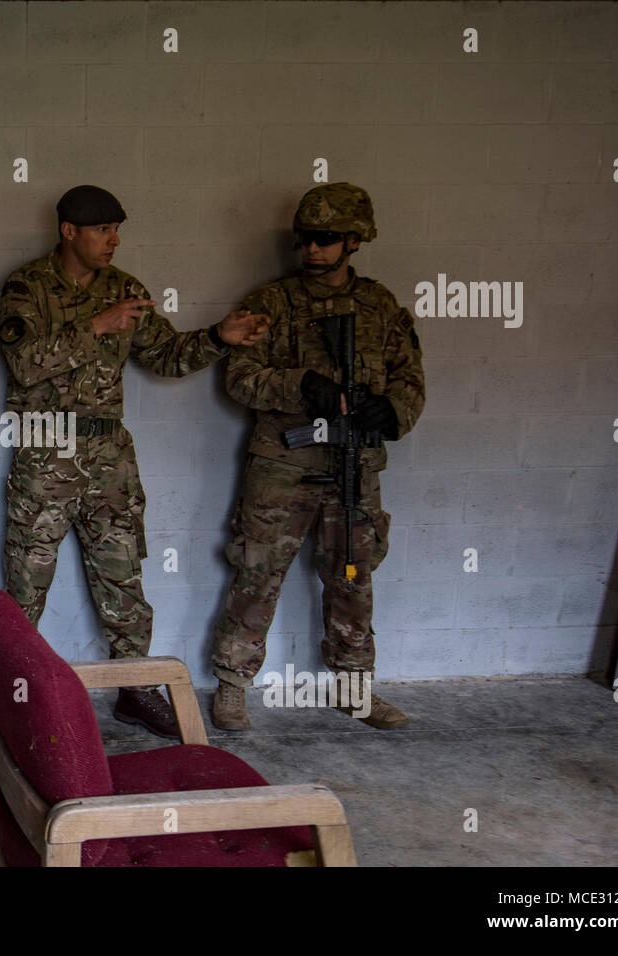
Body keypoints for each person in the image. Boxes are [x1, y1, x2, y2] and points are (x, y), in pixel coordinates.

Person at [0, 184, 269, 738]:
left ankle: (135, 691)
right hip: (45, 448)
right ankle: (14, 694)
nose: (114, 240)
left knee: (123, 577)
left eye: (118, 230)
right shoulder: (26, 287)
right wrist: (96, 325)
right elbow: (25, 363)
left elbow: (166, 357)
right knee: (27, 579)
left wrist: (220, 337)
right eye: (102, 230)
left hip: (109, 455)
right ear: (69, 231)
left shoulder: (126, 290)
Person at [208, 182, 426, 732]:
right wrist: (301, 386)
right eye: (304, 238)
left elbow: (410, 380)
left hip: (354, 467)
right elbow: (239, 379)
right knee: (258, 572)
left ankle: (355, 690)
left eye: (325, 239)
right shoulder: (270, 304)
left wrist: (391, 410)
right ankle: (232, 685)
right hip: (286, 463)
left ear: (355, 240)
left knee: (353, 578)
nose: (311, 249)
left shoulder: (380, 307)